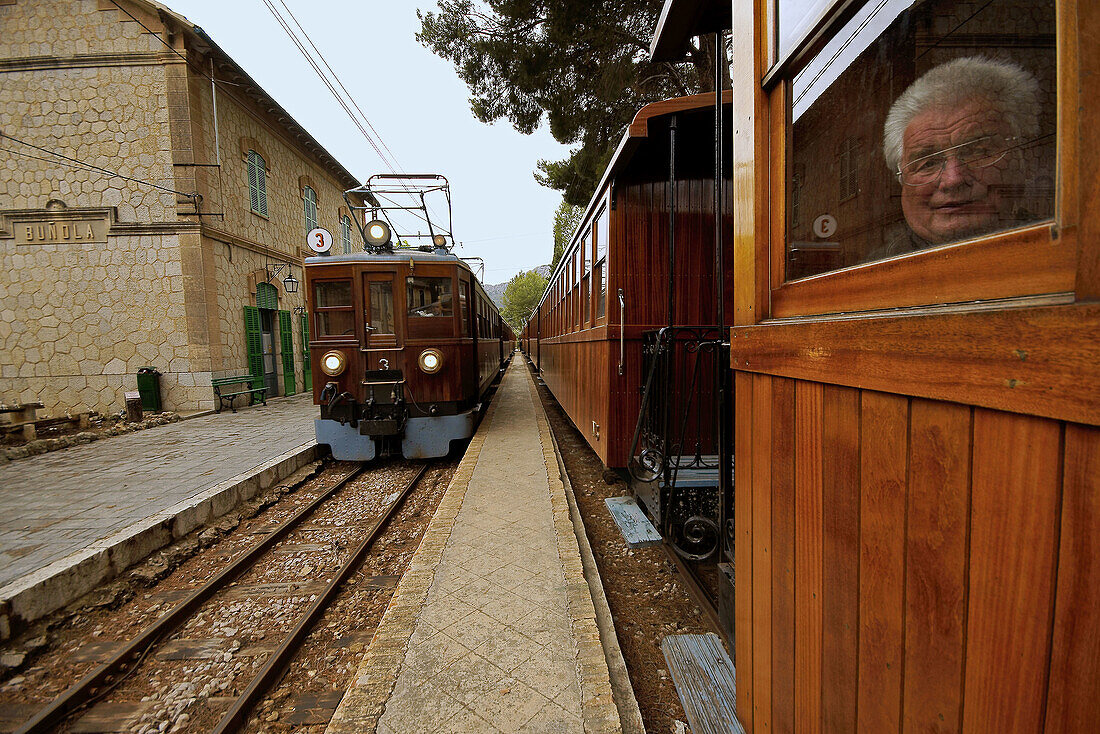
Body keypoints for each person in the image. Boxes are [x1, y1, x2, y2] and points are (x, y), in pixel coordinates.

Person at [878, 56, 1041, 257]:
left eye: (979, 152)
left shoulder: (1064, 252)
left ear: (1025, 157)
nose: (953, 179)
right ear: (901, 180)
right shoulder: (863, 278)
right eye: (928, 163)